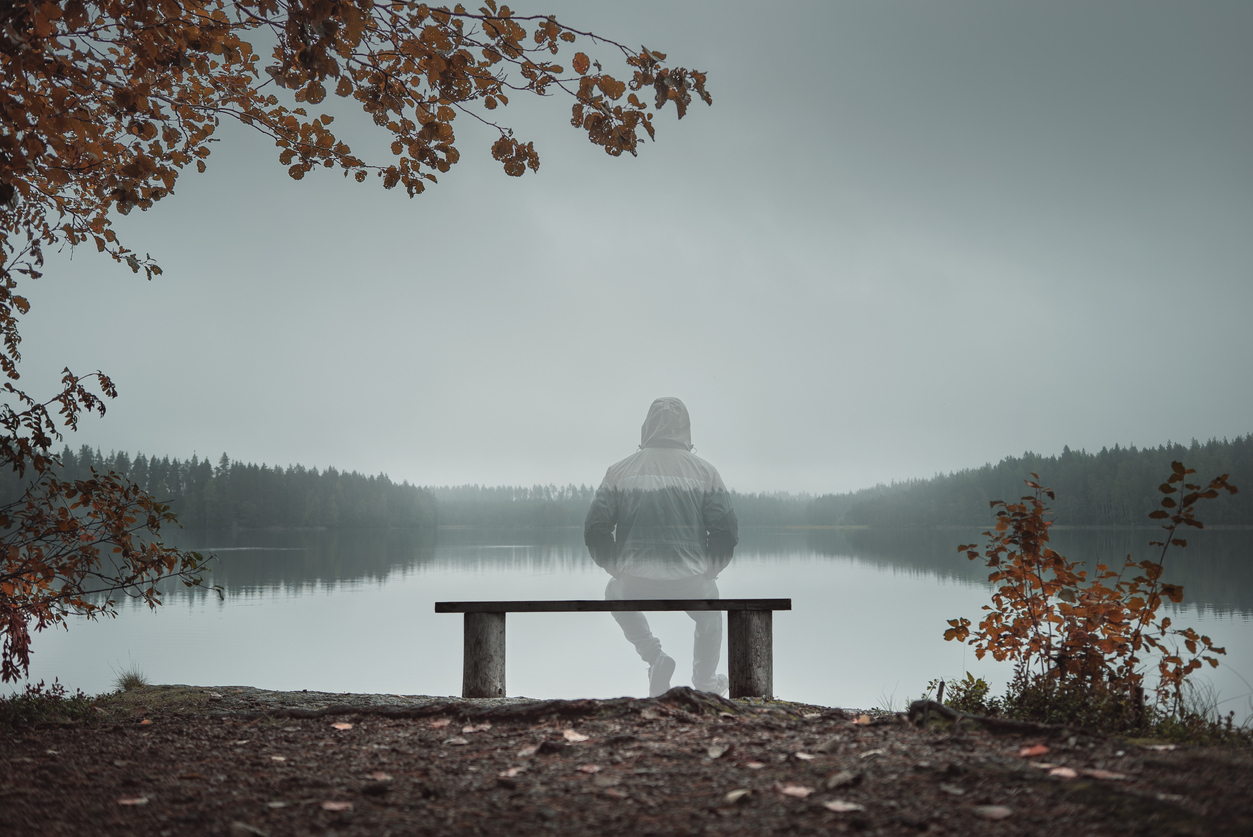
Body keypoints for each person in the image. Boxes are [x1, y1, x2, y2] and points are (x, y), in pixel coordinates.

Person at [584, 397, 739, 697]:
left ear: (647, 428)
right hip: (690, 582)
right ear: (686, 430)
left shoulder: (620, 471)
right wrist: (710, 570)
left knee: (612, 592)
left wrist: (616, 568)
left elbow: (595, 528)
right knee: (711, 615)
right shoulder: (706, 472)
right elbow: (726, 530)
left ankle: (656, 658)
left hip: (635, 582)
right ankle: (706, 683)